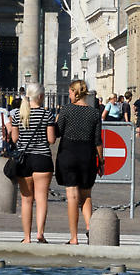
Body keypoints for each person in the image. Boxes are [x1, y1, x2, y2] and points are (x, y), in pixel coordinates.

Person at [52, 78, 103, 245]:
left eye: (70, 92)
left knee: (72, 197)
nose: (69, 95)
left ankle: (74, 237)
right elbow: (98, 141)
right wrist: (101, 161)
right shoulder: (94, 113)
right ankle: (90, 227)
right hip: (87, 155)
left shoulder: (66, 110)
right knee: (86, 195)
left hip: (69, 154)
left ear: (75, 93)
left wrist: (57, 119)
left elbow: (57, 132)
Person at [13, 82, 57, 242]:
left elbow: (14, 138)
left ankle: (27, 237)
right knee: (41, 199)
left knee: (26, 200)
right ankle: (40, 233)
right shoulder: (47, 115)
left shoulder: (18, 114)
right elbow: (51, 140)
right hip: (42, 158)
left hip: (24, 160)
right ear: (41, 96)